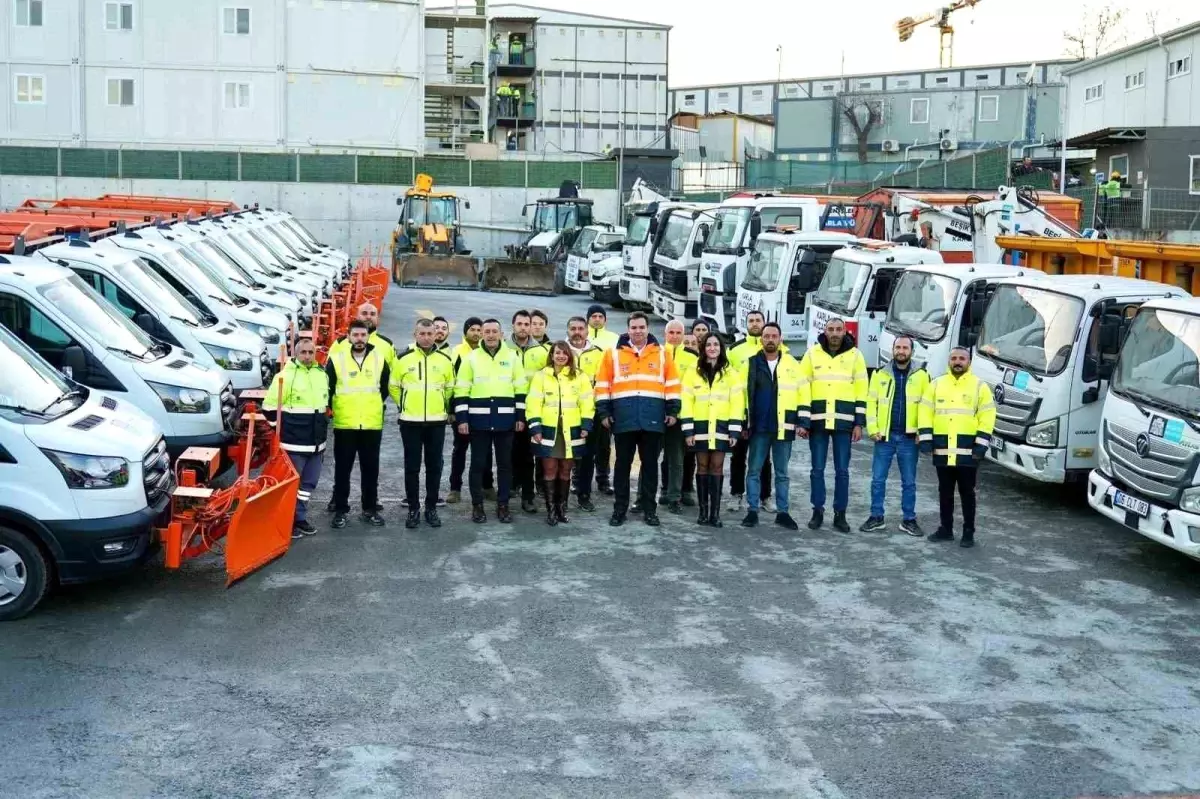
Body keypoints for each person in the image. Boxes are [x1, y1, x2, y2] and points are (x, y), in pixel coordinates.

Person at [595, 312, 681, 527]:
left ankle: (650, 510)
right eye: (634, 327)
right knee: (622, 466)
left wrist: (672, 411)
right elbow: (602, 385)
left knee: (650, 467)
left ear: (648, 328)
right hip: (623, 419)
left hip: (653, 419)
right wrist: (604, 413)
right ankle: (619, 510)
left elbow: (672, 385)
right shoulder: (612, 354)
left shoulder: (663, 354)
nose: (638, 331)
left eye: (641, 327)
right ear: (628, 329)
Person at [918, 347, 996, 548]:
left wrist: (980, 445)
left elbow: (987, 417)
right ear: (949, 361)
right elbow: (925, 411)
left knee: (967, 493)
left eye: (962, 358)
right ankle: (946, 529)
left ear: (969, 362)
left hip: (968, 451)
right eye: (954, 358)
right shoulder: (936, 384)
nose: (958, 362)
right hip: (942, 450)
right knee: (944, 492)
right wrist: (926, 439)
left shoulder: (979, 386)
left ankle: (968, 532)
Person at [797, 316, 868, 533]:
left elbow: (861, 389)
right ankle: (817, 511)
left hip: (844, 423)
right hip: (817, 421)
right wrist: (803, 421)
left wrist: (859, 423)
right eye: (831, 329)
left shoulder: (855, 356)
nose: (835, 333)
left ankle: (840, 514)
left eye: (839, 329)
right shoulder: (812, 354)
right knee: (817, 469)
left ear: (845, 331)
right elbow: (803, 387)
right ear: (825, 331)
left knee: (842, 471)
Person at [454, 318, 527, 524]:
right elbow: (461, 389)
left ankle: (503, 505)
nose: (491, 335)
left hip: (505, 421)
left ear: (501, 334)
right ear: (482, 334)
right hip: (478, 421)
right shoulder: (471, 358)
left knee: (505, 465)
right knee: (477, 465)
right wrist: (462, 418)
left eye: (495, 331)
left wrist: (520, 417)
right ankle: (477, 506)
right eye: (487, 331)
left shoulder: (512, 357)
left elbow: (520, 389)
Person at [325, 301, 395, 514]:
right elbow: (328, 385)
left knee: (370, 469)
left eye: (372, 313)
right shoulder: (337, 352)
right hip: (345, 420)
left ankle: (370, 507)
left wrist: (371, 403)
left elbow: (386, 386)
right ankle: (339, 505)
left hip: (371, 421)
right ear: (349, 336)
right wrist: (337, 406)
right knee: (342, 469)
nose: (359, 338)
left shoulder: (383, 350)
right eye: (355, 335)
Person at [860, 336, 929, 536]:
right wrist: (873, 429)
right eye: (897, 347)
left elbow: (927, 407)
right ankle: (876, 517)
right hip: (884, 438)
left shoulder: (922, 375)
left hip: (909, 439)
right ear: (892, 349)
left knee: (909, 482)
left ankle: (909, 519)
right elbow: (870, 404)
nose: (901, 351)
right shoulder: (880, 374)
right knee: (878, 480)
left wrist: (922, 432)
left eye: (905, 348)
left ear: (911, 351)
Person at [391, 318, 455, 529]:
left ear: (435, 335)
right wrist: (405, 405)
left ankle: (431, 508)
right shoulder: (403, 359)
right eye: (422, 334)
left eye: (430, 334)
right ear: (415, 334)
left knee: (434, 467)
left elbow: (449, 388)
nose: (426, 338)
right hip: (410, 421)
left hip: (436, 422)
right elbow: (394, 386)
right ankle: (413, 509)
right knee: (412, 467)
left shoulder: (445, 360)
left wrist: (442, 408)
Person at [262, 336, 328, 539]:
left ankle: (299, 518)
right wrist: (282, 431)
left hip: (317, 444)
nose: (308, 356)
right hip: (294, 443)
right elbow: (269, 408)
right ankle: (286, 520)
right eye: (303, 352)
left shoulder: (321, 374)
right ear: (296, 354)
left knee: (308, 485)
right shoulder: (284, 377)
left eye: (311, 352)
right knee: (290, 485)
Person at [527, 341, 595, 525]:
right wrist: (535, 427)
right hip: (548, 430)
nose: (561, 356)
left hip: (571, 431)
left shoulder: (579, 376)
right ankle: (550, 510)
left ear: (570, 356)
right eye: (558, 353)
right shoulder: (541, 376)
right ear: (552, 355)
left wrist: (586, 425)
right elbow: (533, 404)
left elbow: (587, 403)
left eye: (565, 353)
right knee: (550, 470)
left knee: (566, 470)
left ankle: (561, 509)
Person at [741, 322, 801, 531]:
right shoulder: (751, 363)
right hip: (758, 427)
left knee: (783, 472)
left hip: (784, 426)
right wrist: (744, 422)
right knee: (754, 470)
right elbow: (743, 395)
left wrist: (801, 422)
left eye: (774, 336)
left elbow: (801, 393)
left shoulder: (792, 364)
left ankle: (783, 513)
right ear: (761, 339)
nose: (770, 339)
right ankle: (752, 511)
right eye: (766, 336)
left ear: (780, 339)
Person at [681, 333, 744, 527]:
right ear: (703, 348)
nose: (712, 348)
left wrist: (734, 431)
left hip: (721, 427)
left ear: (721, 348)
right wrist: (688, 430)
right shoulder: (693, 371)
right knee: (702, 466)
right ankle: (703, 513)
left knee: (716, 466)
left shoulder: (731, 373)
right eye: (708, 344)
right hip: (699, 426)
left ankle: (715, 515)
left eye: (716, 344)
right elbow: (687, 401)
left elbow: (737, 403)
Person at [727, 311, 779, 514]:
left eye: (758, 320)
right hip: (740, 412)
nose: (755, 324)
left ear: (764, 324)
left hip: (764, 414)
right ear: (745, 323)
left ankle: (765, 496)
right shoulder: (735, 350)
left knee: (764, 458)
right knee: (738, 456)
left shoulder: (775, 349)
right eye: (751, 321)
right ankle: (736, 494)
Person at [447, 317, 494, 504]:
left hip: (483, 411)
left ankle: (487, 486)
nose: (476, 333)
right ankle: (455, 489)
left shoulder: (487, 352)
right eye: (472, 329)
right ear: (465, 331)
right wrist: (453, 410)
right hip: (463, 409)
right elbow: (452, 383)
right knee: (460, 449)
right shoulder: (457, 352)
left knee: (485, 452)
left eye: (479, 330)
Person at [510, 310, 551, 514]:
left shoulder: (542, 352)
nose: (524, 328)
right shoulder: (504, 350)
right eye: (520, 324)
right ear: (513, 325)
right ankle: (508, 491)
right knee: (507, 454)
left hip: (532, 410)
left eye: (527, 324)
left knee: (528, 456)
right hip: (507, 409)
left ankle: (528, 497)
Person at [655, 319, 697, 514]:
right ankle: (644, 496)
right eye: (671, 332)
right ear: (665, 335)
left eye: (678, 333)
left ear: (683, 335)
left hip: (679, 415)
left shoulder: (692, 358)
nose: (674, 336)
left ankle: (674, 497)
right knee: (650, 458)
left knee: (676, 460)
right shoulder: (655, 354)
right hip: (655, 414)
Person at [567, 316, 607, 511]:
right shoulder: (559, 351)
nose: (577, 332)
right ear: (567, 331)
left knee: (588, 455)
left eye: (580, 328)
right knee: (564, 456)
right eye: (573, 328)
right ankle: (559, 497)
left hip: (591, 413)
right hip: (564, 412)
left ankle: (584, 495)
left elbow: (604, 382)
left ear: (586, 331)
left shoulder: (599, 354)